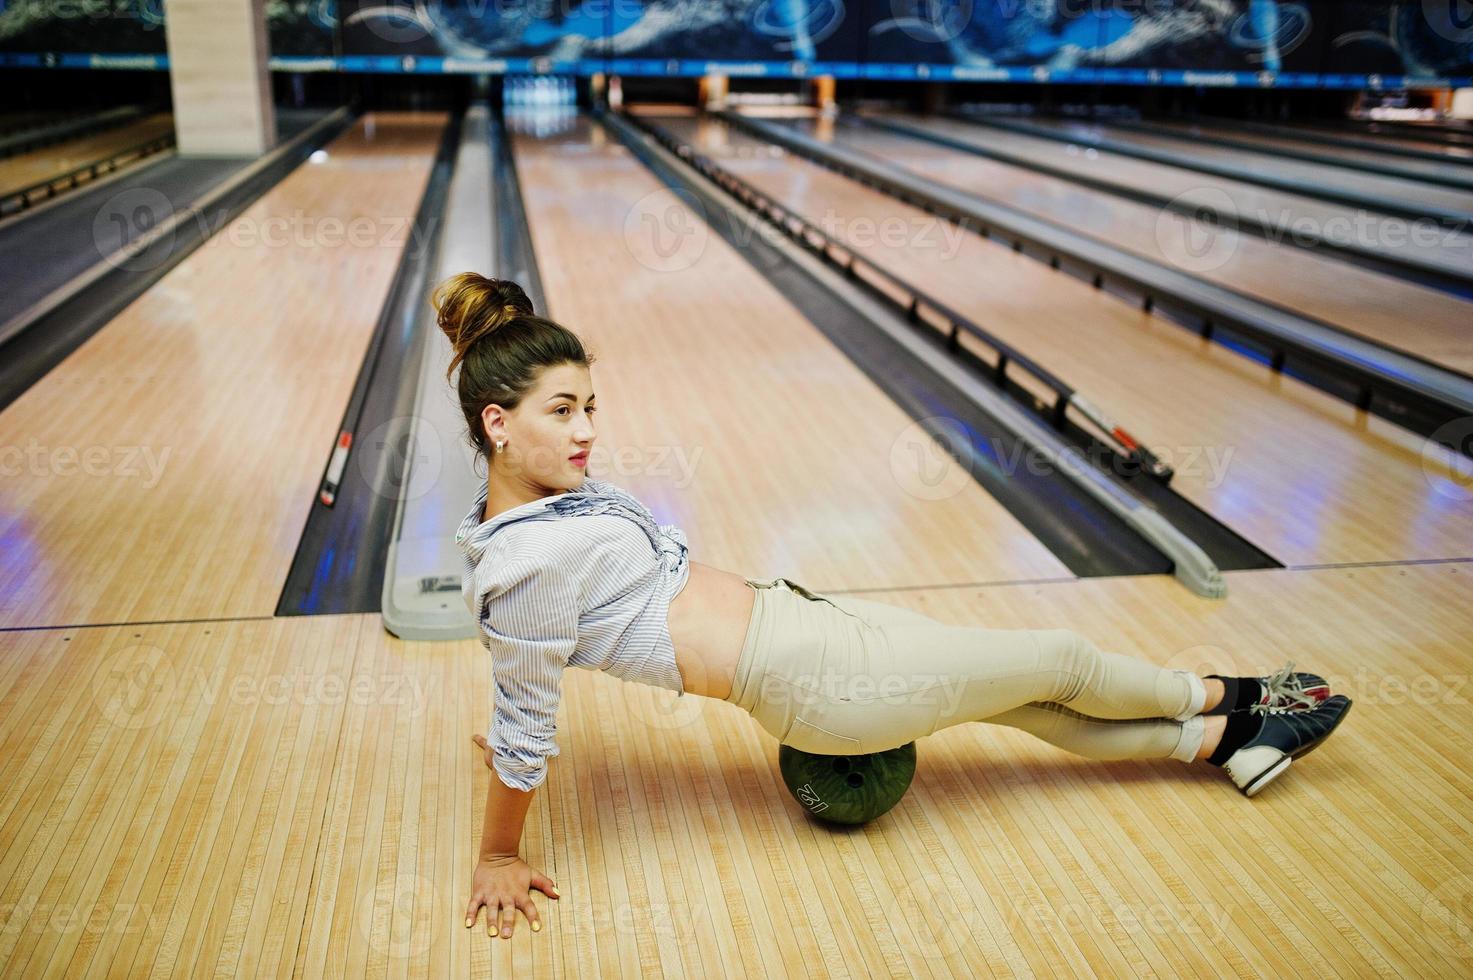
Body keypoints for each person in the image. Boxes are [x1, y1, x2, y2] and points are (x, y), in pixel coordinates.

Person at [443, 273, 1352, 941]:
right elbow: (527, 702)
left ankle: (1226, 745)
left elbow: (530, 661)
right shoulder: (527, 558)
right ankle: (1239, 697)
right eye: (562, 411)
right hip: (822, 685)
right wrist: (496, 854)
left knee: (1026, 706)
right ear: (497, 424)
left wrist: (517, 700)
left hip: (814, 630)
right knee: (1062, 663)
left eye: (590, 405)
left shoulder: (532, 514)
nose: (588, 430)